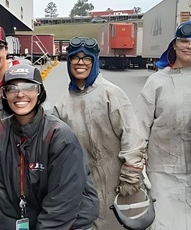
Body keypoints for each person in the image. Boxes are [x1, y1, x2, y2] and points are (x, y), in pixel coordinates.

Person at [0, 63, 99, 230]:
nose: (20, 94)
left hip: (69, 222)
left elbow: (63, 200)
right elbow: (1, 193)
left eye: (28, 87)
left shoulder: (59, 135)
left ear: (39, 92)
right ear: (4, 94)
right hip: (26, 221)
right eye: (11, 88)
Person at [53, 37, 147, 230]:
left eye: (86, 58)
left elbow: (132, 136)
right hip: (83, 188)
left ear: (94, 61)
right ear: (68, 62)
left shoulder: (111, 94)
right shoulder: (61, 105)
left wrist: (131, 175)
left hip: (118, 185)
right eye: (75, 58)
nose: (80, 63)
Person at [135, 20, 191, 230]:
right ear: (174, 45)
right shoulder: (157, 82)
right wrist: (135, 167)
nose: (189, 45)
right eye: (184, 40)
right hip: (162, 172)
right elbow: (139, 129)